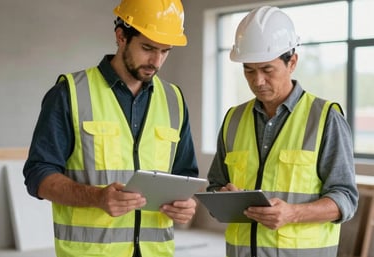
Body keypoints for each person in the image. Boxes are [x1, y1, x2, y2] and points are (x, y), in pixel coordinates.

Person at [23, 1, 199, 257]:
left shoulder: (174, 100)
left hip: (156, 252)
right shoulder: (70, 93)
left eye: (165, 51)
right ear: (121, 37)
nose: (156, 61)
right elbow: (37, 174)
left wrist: (186, 204)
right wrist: (96, 197)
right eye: (148, 48)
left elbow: (184, 174)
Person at [206, 6, 358, 257]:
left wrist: (293, 213)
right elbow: (215, 187)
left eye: (267, 69)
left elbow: (346, 200)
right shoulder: (233, 119)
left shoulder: (325, 118)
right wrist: (222, 196)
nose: (258, 81)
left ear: (292, 62)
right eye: (249, 70)